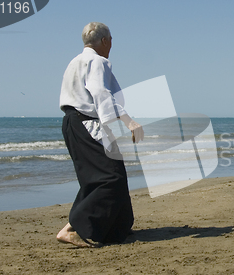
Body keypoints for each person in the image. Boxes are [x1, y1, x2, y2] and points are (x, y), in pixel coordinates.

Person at [56, 22, 144, 247]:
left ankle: (117, 228)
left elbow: (102, 97)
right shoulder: (98, 61)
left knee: (106, 175)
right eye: (111, 40)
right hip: (88, 123)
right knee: (109, 178)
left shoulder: (74, 62)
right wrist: (122, 124)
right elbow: (101, 93)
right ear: (105, 41)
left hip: (73, 123)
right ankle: (72, 228)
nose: (112, 44)